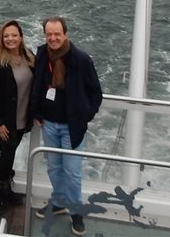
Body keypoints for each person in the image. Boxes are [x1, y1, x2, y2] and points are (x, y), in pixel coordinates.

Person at [31, 16, 103, 237]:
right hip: (49, 124)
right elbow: (37, 84)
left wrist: (84, 116)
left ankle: (75, 212)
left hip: (72, 127)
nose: (52, 38)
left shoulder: (80, 59)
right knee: (54, 167)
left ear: (65, 35)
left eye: (57, 34)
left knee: (72, 172)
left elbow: (96, 93)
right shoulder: (42, 54)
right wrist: (37, 112)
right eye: (49, 34)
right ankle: (59, 201)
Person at [0, 20, 36, 216]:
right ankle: (2, 194)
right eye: (6, 36)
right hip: (6, 122)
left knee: (10, 154)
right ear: (1, 39)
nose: (11, 39)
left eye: (14, 35)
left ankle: (7, 189)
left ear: (20, 37)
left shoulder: (29, 57)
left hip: (23, 118)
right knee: (6, 156)